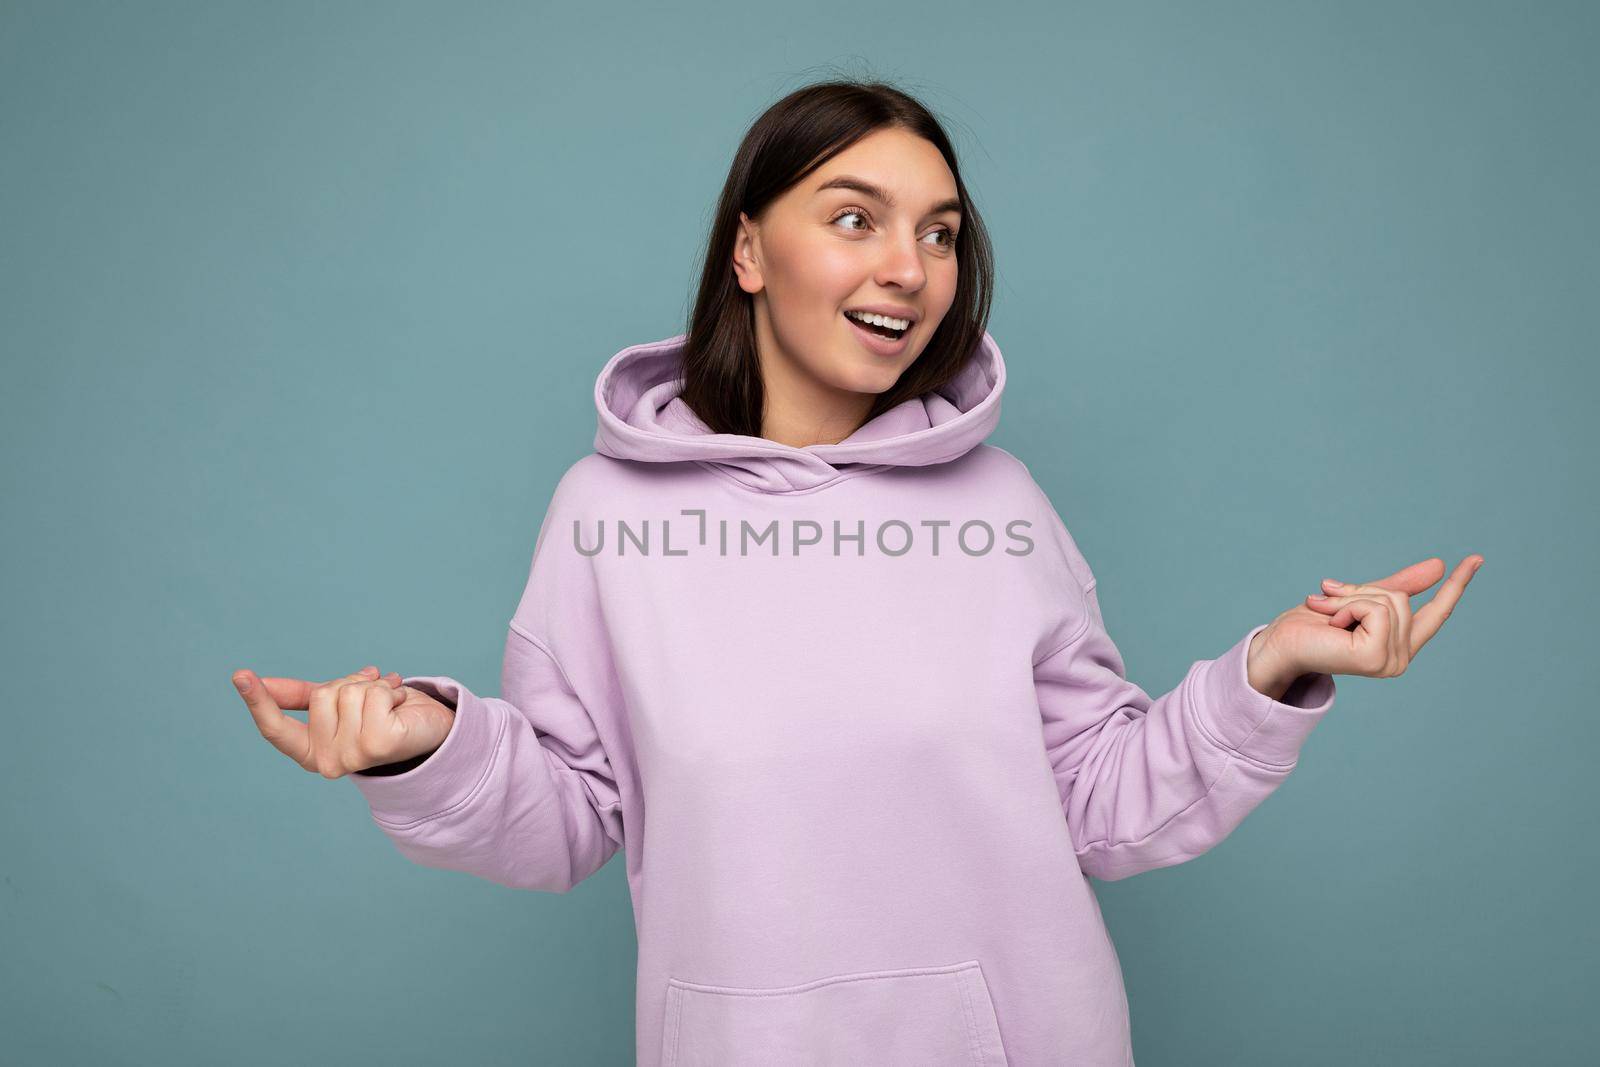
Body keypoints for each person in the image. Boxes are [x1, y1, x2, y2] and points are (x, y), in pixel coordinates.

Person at [232, 78, 1481, 1066]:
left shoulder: (998, 504)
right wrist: (425, 745)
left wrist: (1274, 666)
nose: (908, 267)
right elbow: (569, 814)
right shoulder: (605, 514)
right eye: (853, 218)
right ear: (749, 252)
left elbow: (1105, 799)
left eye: (937, 232)